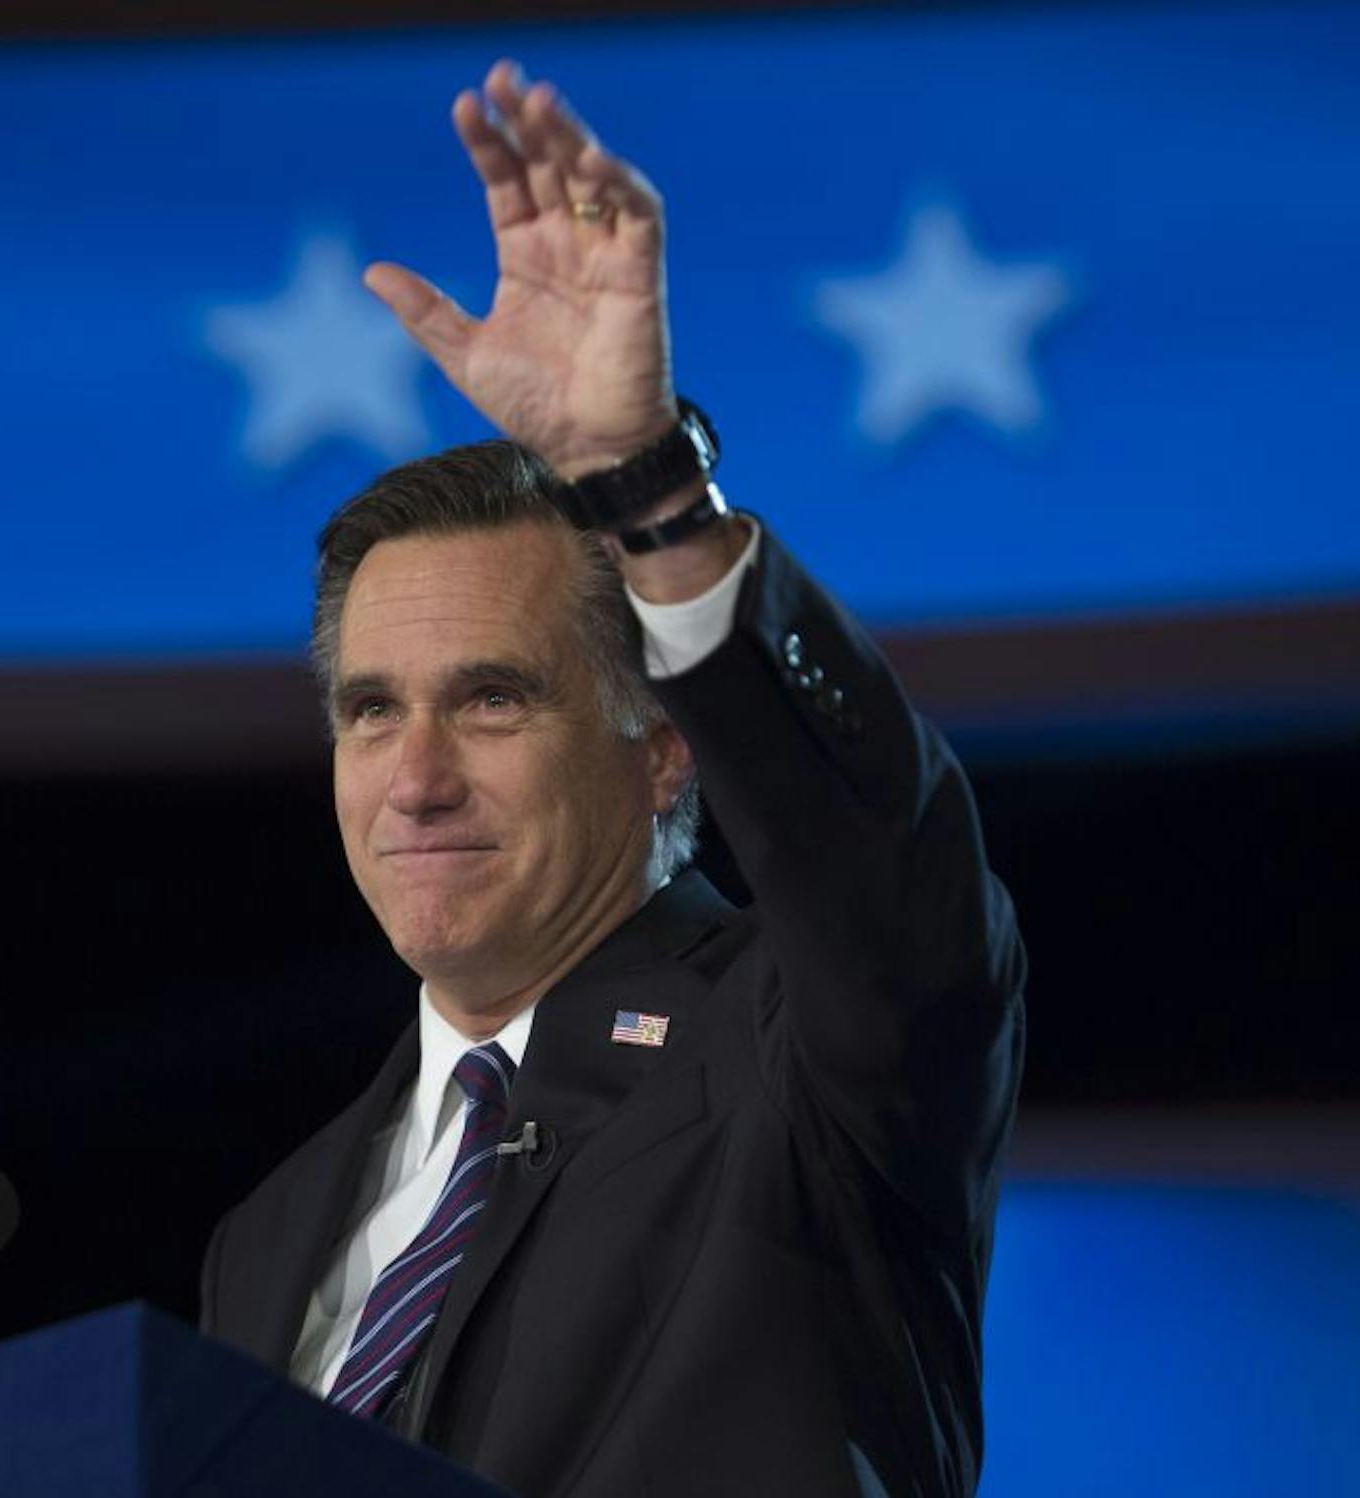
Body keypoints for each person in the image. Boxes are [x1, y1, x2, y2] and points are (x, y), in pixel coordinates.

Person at [199, 60, 1027, 1498]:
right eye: (373, 711)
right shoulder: (268, 1234)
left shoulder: (797, 1054)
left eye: (493, 700)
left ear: (661, 751)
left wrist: (644, 490)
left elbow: (886, 878)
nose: (416, 777)